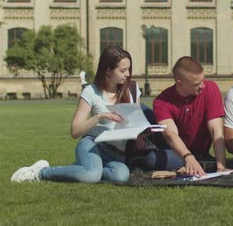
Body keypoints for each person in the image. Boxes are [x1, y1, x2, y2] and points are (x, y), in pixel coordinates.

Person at [11, 46, 141, 183]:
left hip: (116, 152)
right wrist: (99, 117)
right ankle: (41, 172)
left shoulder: (132, 89)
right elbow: (75, 131)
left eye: (128, 69)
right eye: (123, 70)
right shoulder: (91, 92)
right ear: (108, 71)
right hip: (92, 145)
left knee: (120, 176)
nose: (127, 74)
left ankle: (82, 169)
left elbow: (136, 122)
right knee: (92, 175)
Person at [140, 56, 228, 176]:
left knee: (157, 160)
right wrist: (188, 157)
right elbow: (170, 134)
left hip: (199, 153)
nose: (202, 85)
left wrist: (221, 166)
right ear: (180, 83)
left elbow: (216, 130)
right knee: (151, 159)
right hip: (176, 151)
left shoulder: (210, 89)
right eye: (196, 84)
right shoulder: (162, 101)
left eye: (203, 80)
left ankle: (202, 163)